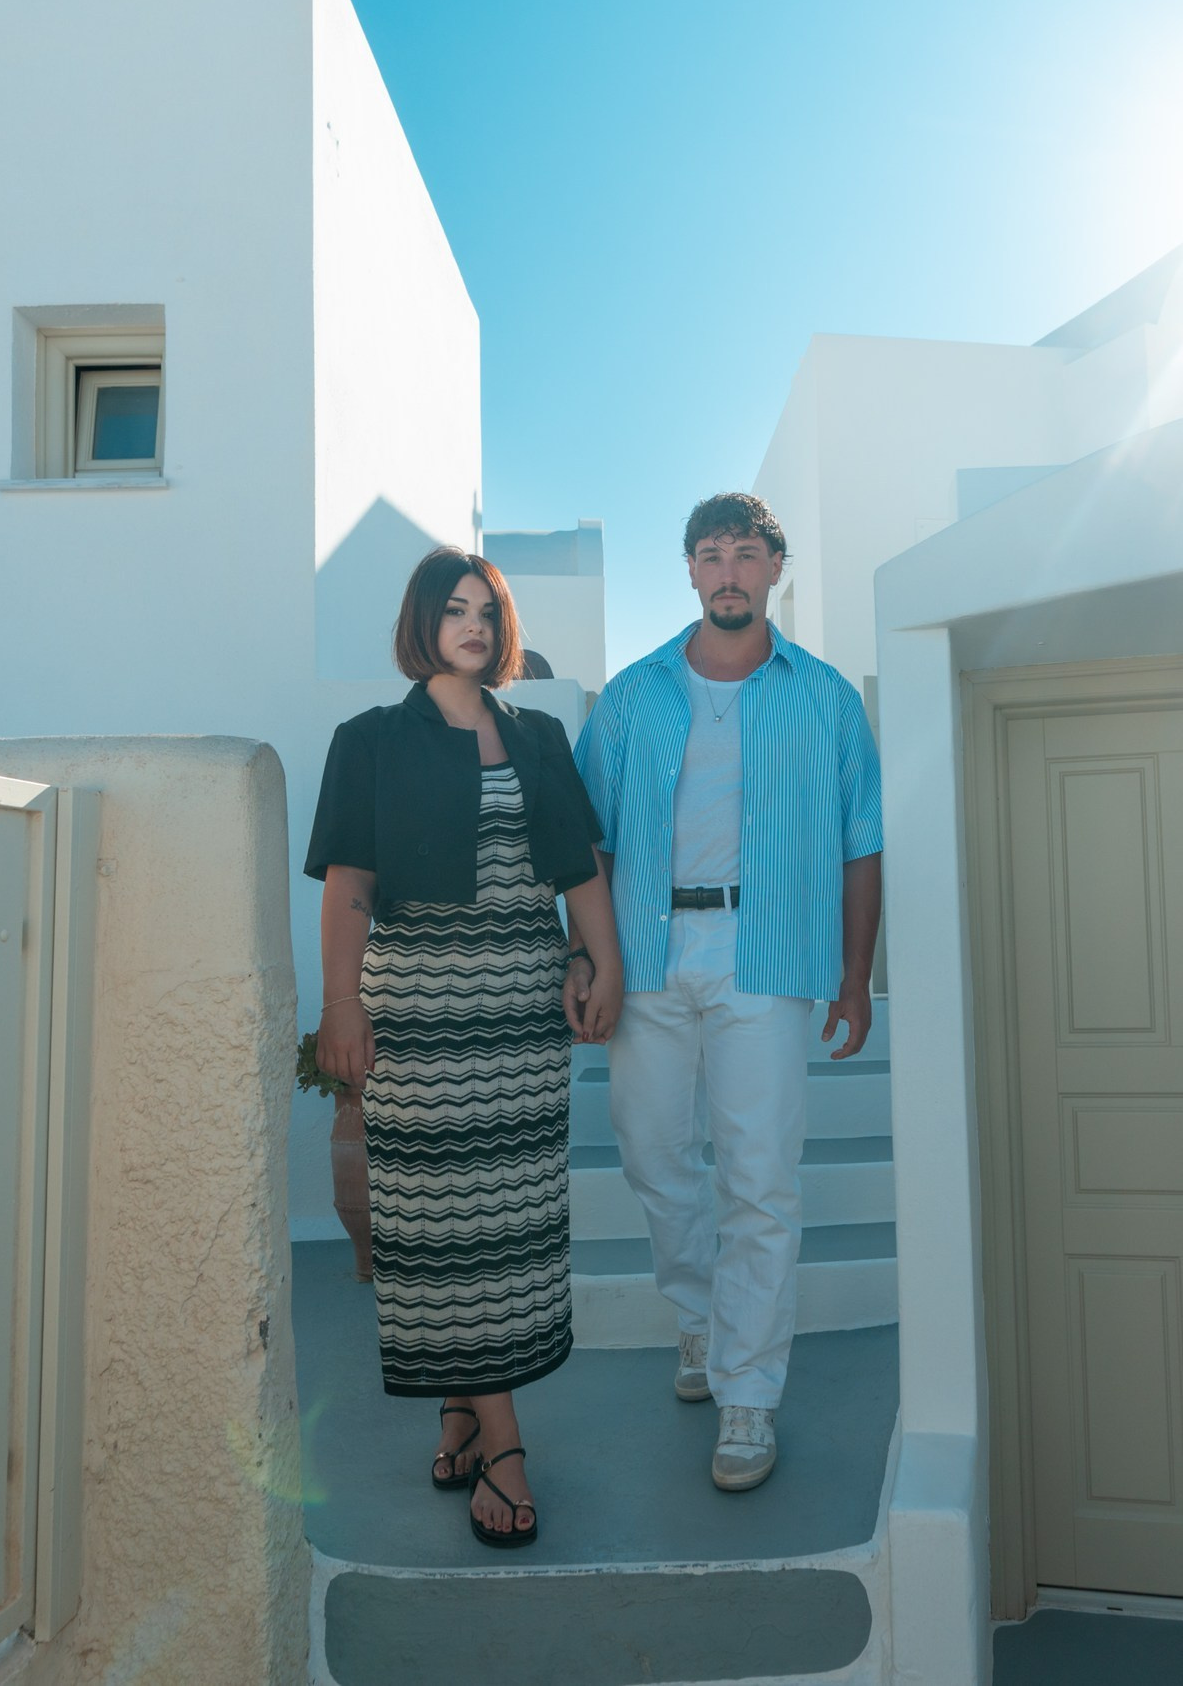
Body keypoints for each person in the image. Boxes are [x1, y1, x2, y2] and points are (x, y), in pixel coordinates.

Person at [307, 546, 622, 1548]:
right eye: (454, 610)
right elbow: (349, 885)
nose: (474, 625)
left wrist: (598, 960)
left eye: (488, 610)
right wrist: (341, 1008)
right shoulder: (368, 741)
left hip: (519, 1016)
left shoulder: (539, 736)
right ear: (422, 625)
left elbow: (579, 867)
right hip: (415, 1012)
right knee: (439, 1227)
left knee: (511, 1228)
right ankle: (506, 1442)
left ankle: (459, 1408)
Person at [568, 491, 883, 1492]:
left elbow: (859, 843)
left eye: (747, 553)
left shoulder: (827, 698)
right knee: (657, 1156)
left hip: (770, 954)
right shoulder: (631, 697)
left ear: (773, 570)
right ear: (693, 573)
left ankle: (747, 1392)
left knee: (759, 1177)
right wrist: (594, 959)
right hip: (651, 955)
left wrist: (855, 973)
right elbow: (590, 843)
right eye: (711, 554)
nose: (729, 570)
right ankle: (703, 1321)